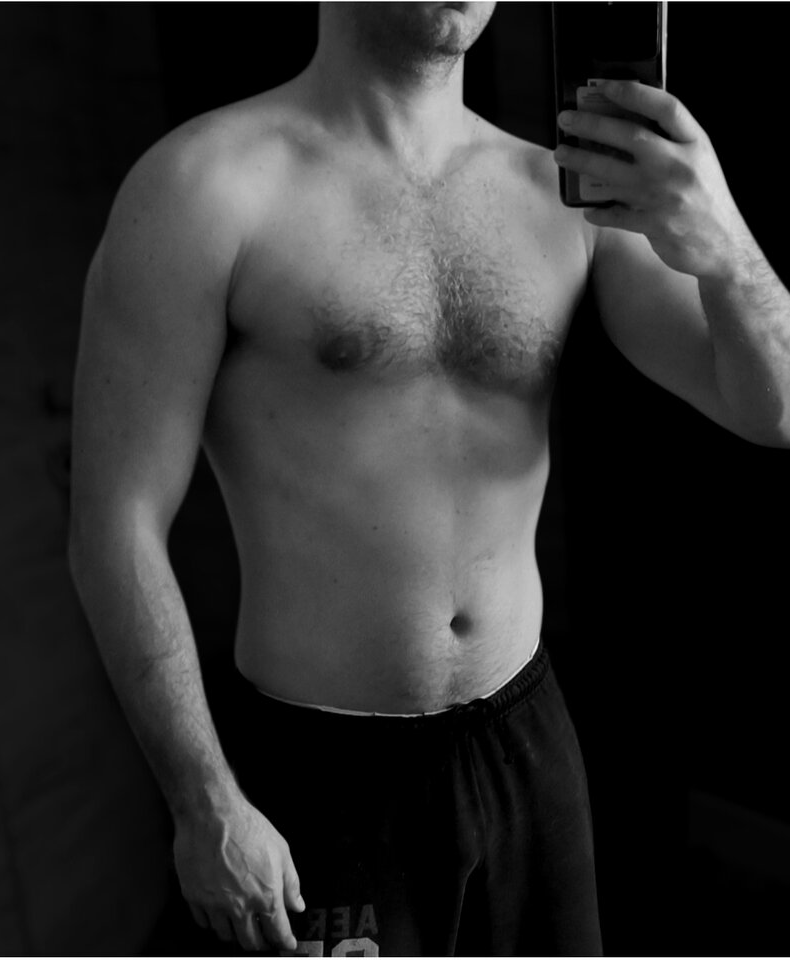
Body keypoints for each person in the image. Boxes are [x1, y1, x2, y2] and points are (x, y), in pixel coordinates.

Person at [68, 2, 790, 956]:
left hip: (526, 742)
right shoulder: (203, 186)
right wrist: (204, 802)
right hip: (323, 769)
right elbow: (114, 521)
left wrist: (724, 245)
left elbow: (773, 409)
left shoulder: (563, 195)